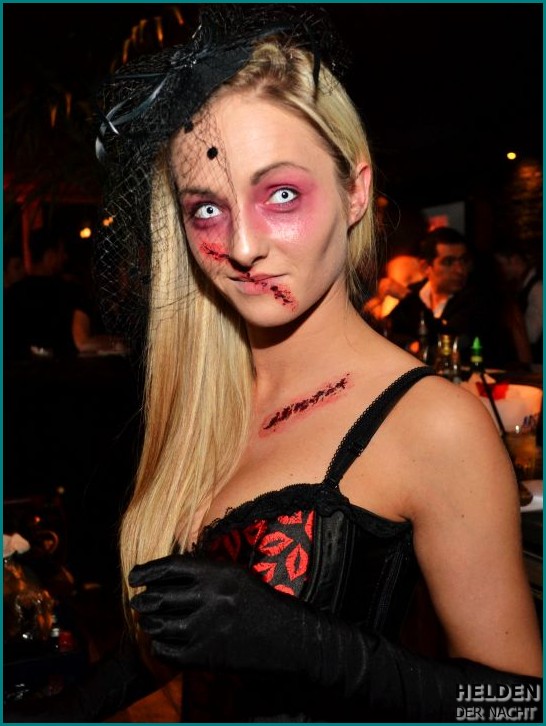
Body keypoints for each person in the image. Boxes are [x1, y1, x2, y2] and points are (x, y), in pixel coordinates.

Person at [6, 6, 541, 723]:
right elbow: (188, 628)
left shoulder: (434, 424)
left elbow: (515, 705)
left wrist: (311, 646)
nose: (242, 246)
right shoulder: (207, 398)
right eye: (206, 210)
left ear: (355, 190)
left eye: (281, 194)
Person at [4, 229, 122, 359]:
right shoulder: (71, 292)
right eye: (61, 252)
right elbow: (82, 342)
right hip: (65, 368)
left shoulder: (10, 295)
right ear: (49, 256)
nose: (65, 257)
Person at [495, 241, 543, 366]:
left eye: (500, 264)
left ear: (514, 260)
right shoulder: (520, 286)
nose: (499, 270)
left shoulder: (538, 289)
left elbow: (532, 335)